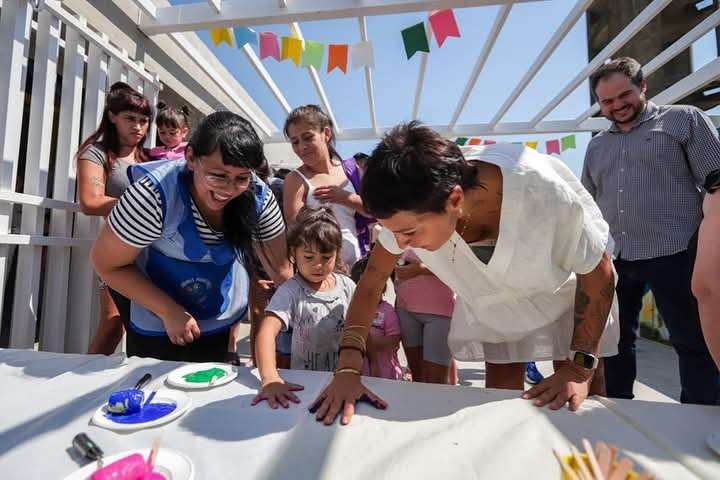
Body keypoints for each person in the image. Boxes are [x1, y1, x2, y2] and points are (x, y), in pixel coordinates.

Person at [309, 122, 620, 425]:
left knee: (583, 404)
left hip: (568, 297)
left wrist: (580, 369)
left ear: (454, 199)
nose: (401, 245)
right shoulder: (409, 205)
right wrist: (348, 368)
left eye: (409, 233)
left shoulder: (539, 189)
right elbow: (371, 282)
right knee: (502, 410)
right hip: (493, 305)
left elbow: (598, 274)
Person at [90, 112, 292, 362]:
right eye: (218, 176)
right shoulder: (151, 197)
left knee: (209, 377)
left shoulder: (260, 198)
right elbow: (106, 264)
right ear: (191, 158)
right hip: (154, 302)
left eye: (241, 178)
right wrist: (169, 311)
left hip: (215, 301)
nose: (228, 190)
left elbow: (282, 269)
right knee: (155, 380)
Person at [582, 57, 720, 404]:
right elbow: (586, 204)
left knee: (693, 341)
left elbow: (717, 180)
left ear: (643, 87)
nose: (617, 106)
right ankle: (616, 405)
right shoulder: (596, 145)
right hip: (616, 256)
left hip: (676, 251)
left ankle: (701, 415)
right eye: (607, 101)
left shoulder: (683, 120)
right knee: (614, 342)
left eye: (623, 95)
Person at [252, 207, 356, 409]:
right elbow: (265, 333)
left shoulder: (347, 286)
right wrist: (270, 378)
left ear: (337, 253)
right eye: (309, 257)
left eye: (326, 257)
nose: (318, 265)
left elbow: (361, 329)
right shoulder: (291, 291)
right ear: (293, 253)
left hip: (343, 380)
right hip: (304, 384)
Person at [77, 82, 152, 355]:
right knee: (114, 321)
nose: (138, 127)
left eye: (143, 120)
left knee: (147, 325)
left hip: (155, 253)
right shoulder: (96, 152)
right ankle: (79, 386)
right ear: (112, 116)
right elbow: (90, 202)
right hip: (118, 250)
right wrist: (143, 206)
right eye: (130, 119)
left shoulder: (149, 157)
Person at [283, 105, 371, 268]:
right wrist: (330, 261)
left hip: (358, 264)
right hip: (321, 271)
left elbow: (373, 211)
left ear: (326, 134)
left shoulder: (350, 172)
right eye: (295, 142)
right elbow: (295, 230)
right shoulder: (295, 179)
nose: (301, 147)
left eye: (308, 138)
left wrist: (344, 197)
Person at [394, 251, 454, 384]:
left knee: (436, 382)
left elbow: (459, 267)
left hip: (439, 311)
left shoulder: (450, 231)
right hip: (405, 308)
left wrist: (422, 269)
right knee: (418, 379)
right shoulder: (399, 231)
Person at [350, 257, 402, 380]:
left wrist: (366, 342)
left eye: (377, 284)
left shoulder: (387, 311)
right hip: (358, 374)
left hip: (383, 374)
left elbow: (394, 341)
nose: (371, 290)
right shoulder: (351, 309)